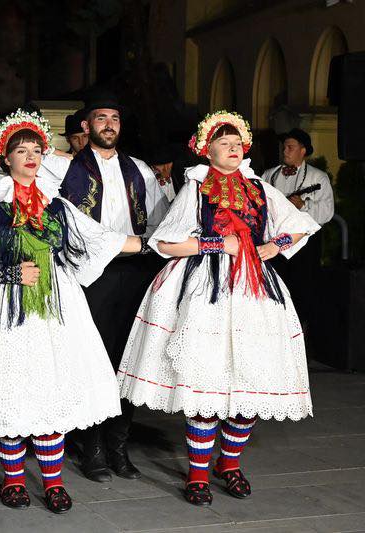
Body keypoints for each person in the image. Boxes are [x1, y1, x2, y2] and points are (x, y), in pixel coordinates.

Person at [0, 109, 143, 514]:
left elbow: (101, 239)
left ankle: (52, 481)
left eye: (36, 150)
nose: (31, 157)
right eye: (21, 151)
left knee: (51, 389)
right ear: (5, 158)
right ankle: (14, 480)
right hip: (6, 309)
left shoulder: (57, 206)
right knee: (12, 389)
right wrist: (9, 273)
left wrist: (160, 245)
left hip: (55, 307)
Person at [116, 111, 319, 506]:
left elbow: (301, 224)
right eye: (223, 144)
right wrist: (216, 244)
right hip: (204, 288)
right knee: (206, 384)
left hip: (253, 289)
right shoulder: (196, 188)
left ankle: (229, 464)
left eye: (237, 143)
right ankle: (197, 475)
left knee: (251, 381)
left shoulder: (258, 187)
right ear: (207, 151)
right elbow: (165, 243)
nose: (232, 149)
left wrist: (274, 244)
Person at [38, 96, 166, 483]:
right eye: (101, 118)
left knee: (128, 357)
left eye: (114, 118)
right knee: (93, 357)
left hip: (135, 268)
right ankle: (91, 446)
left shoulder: (139, 169)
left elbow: (160, 220)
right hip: (90, 274)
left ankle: (118, 446)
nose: (109, 124)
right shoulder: (65, 167)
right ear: (87, 126)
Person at [263, 128, 334, 331]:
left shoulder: (318, 177)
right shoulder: (269, 175)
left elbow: (327, 212)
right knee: (275, 285)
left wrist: (303, 205)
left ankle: (301, 331)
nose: (285, 151)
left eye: (290, 147)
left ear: (303, 151)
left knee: (303, 288)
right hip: (274, 242)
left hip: (305, 244)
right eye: (284, 147)